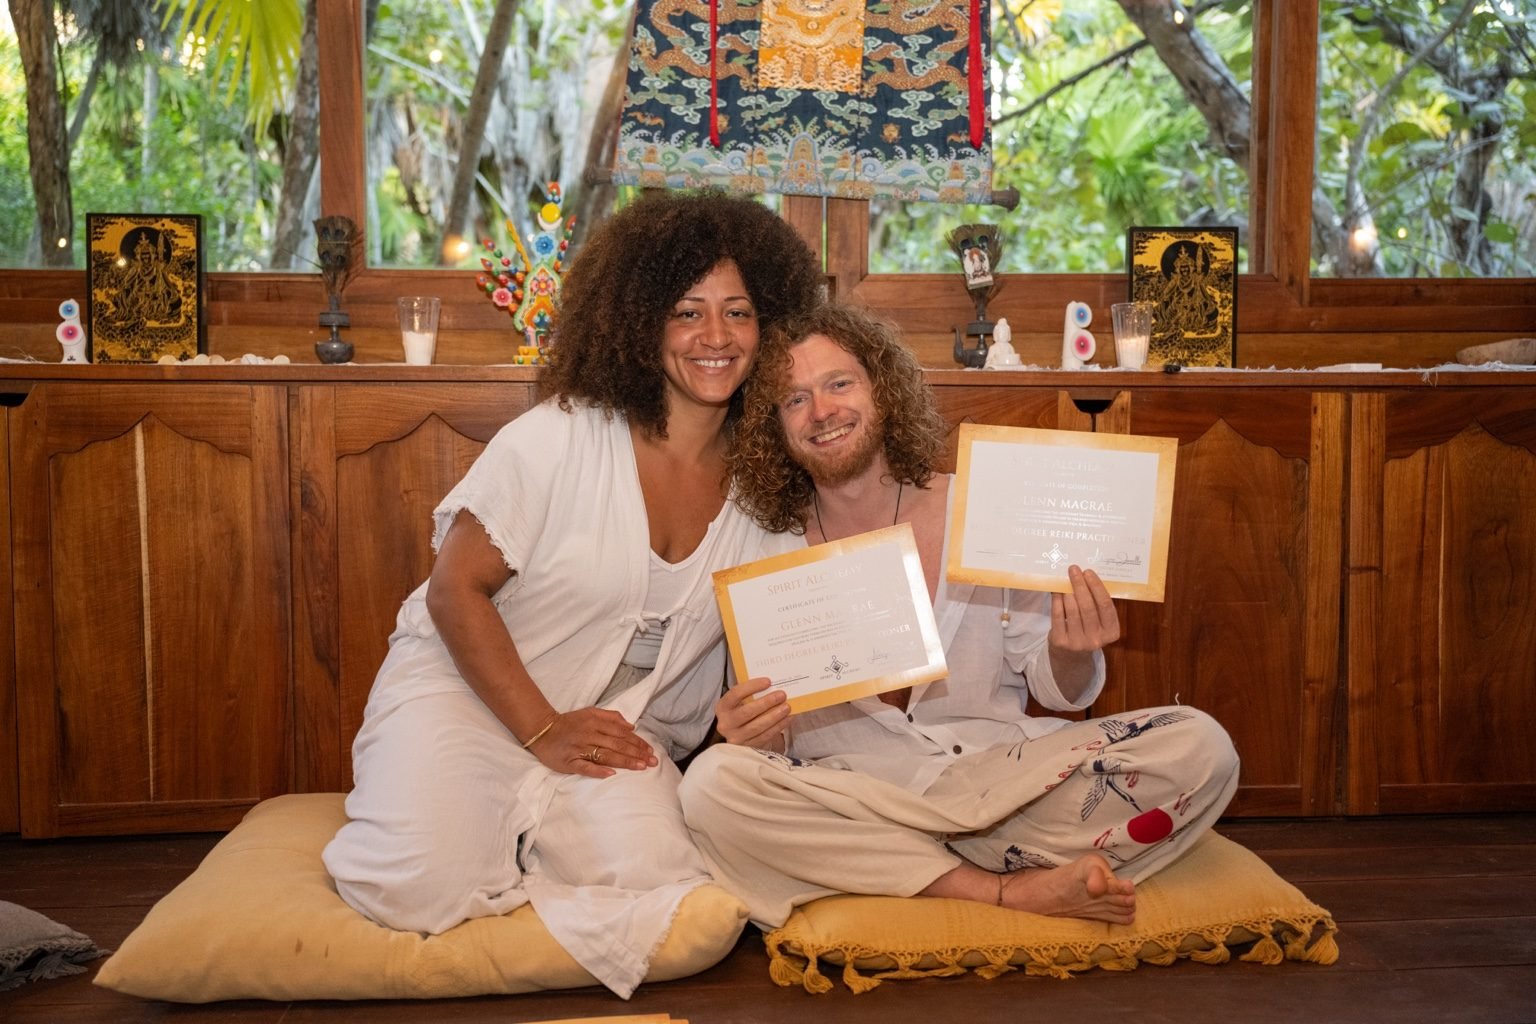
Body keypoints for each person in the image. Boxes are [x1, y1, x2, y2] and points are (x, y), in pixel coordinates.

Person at [322, 191, 822, 998]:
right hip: (469, 694)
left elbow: (774, 651)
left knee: (661, 882)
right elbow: (455, 592)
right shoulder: (559, 435)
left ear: (770, 328)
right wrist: (543, 729)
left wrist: (742, 727)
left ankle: (520, 841)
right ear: (637, 321)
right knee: (409, 891)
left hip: (617, 730)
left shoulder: (768, 484)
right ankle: (479, 830)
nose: (717, 337)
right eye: (687, 312)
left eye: (739, 312)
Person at [680, 303, 1238, 930]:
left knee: (1203, 747)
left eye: (839, 383)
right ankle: (1005, 887)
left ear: (882, 390)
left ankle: (907, 870)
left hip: (1003, 781)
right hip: (861, 797)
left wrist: (1073, 648)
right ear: (772, 428)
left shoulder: (983, 508)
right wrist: (753, 729)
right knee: (714, 786)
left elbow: (1056, 689)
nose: (822, 412)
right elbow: (775, 742)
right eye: (794, 400)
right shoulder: (761, 548)